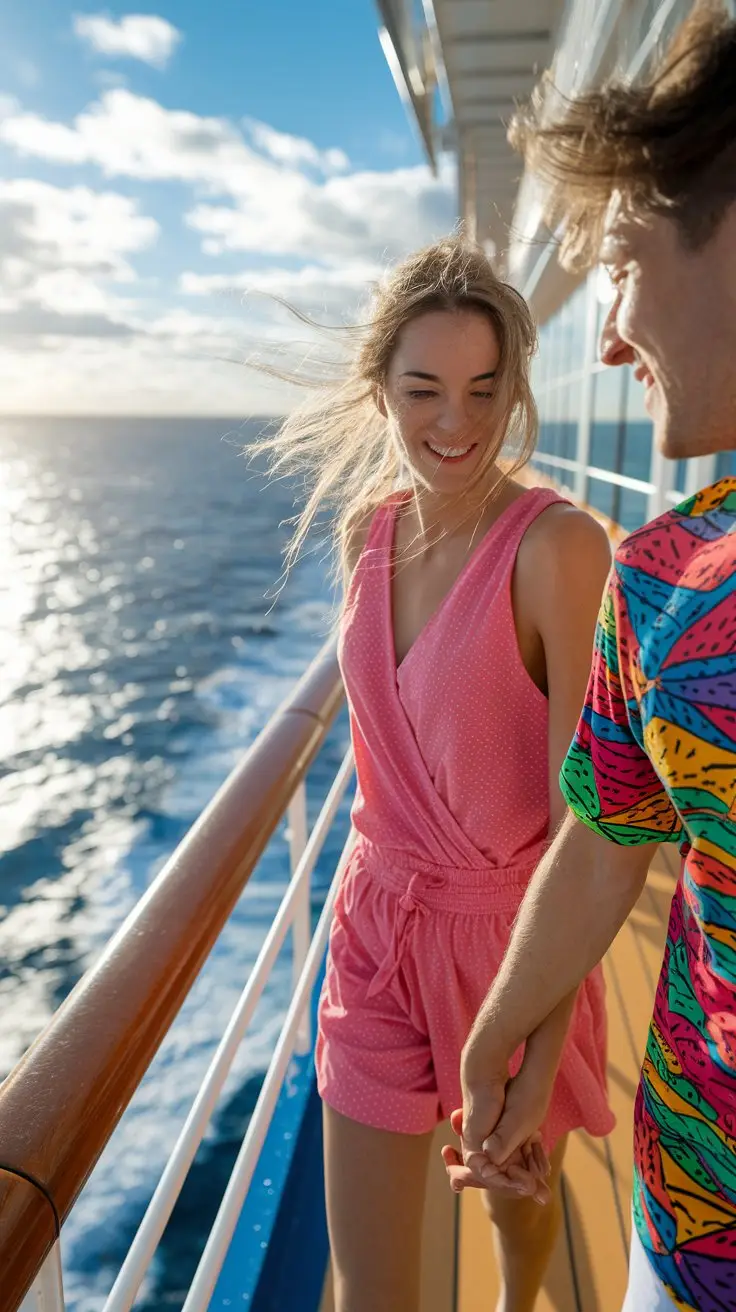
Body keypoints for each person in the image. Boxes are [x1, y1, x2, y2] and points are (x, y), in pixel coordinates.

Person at [251, 237, 614, 1312]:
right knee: (371, 1285)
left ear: (512, 395)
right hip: (370, 930)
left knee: (517, 1196)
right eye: (423, 390)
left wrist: (539, 1049)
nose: (454, 423)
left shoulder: (557, 548)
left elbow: (581, 828)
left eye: (483, 391)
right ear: (380, 390)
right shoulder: (368, 533)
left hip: (507, 945)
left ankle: (516, 1299)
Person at [446, 6, 736, 1311]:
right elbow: (610, 829)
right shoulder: (664, 579)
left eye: (617, 262)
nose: (605, 338)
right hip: (684, 1220)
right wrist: (513, 1015)